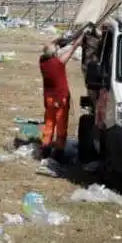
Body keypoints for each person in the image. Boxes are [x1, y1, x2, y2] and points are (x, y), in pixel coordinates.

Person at [39, 32, 84, 163]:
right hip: (60, 99)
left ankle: (45, 148)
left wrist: (59, 39)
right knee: (61, 125)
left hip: (49, 98)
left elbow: (49, 46)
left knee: (49, 123)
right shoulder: (58, 63)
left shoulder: (43, 61)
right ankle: (59, 151)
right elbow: (72, 49)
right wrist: (79, 39)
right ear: (54, 53)